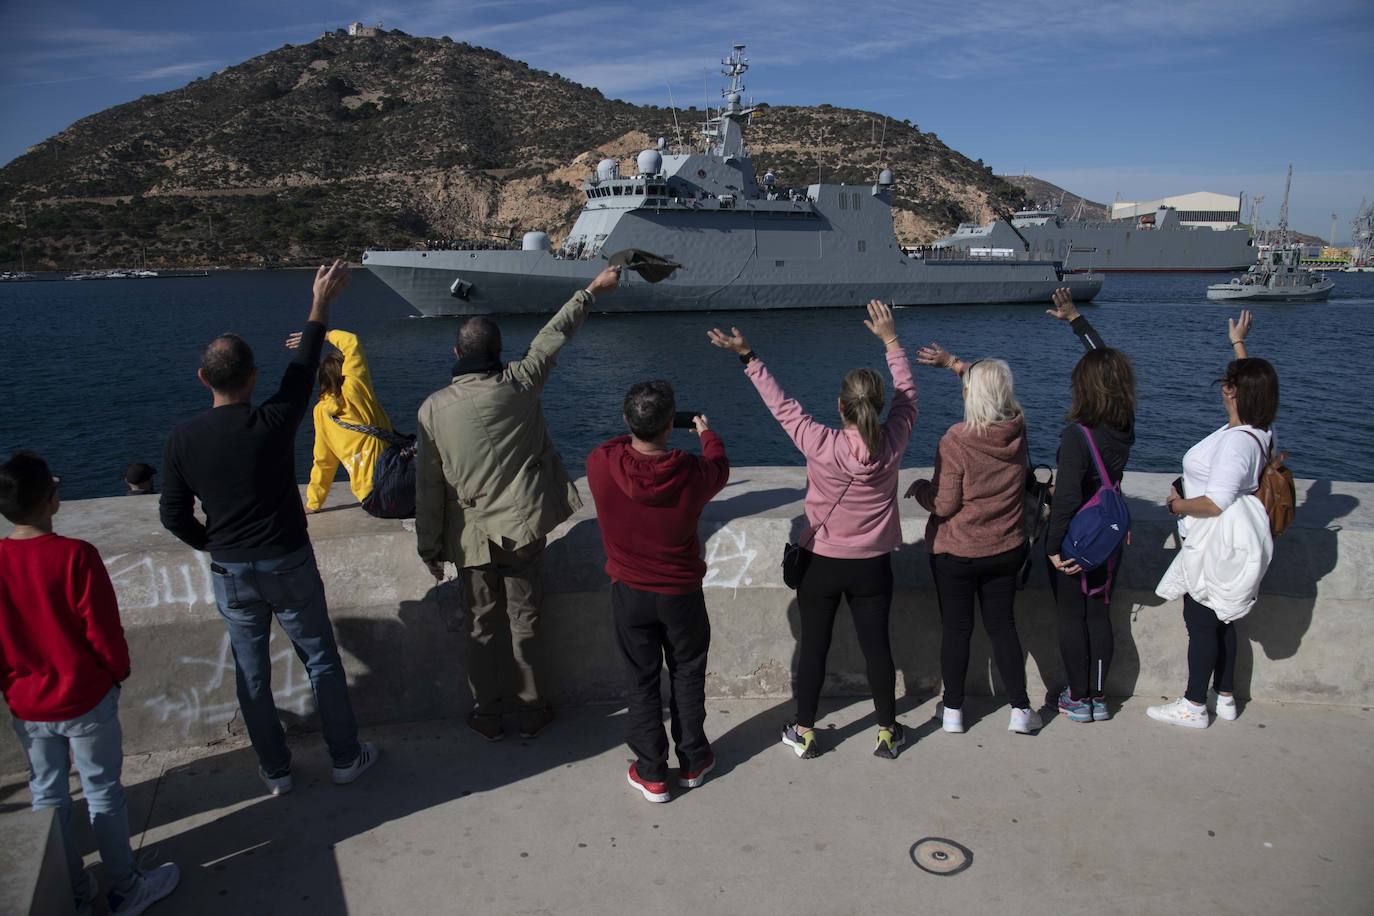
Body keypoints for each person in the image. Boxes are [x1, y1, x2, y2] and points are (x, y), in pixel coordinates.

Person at [159, 261, 378, 796]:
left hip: (231, 570)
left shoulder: (182, 440)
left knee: (251, 672)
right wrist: (319, 303)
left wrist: (211, 543)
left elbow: (172, 513)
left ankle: (276, 770)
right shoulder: (274, 422)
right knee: (321, 660)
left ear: (203, 379)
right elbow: (304, 365)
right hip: (287, 559)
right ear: (254, 377)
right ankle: (346, 758)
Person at [416, 266, 622, 742]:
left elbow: (427, 489)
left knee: (481, 625)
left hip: (471, 539)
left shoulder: (431, 410)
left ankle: (487, 714)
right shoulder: (521, 383)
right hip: (522, 528)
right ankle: (531, 710)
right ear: (497, 353)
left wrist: (430, 548)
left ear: (456, 355)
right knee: (525, 618)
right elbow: (554, 336)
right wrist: (590, 290)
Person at [707, 300, 916, 760]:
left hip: (821, 562)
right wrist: (891, 341)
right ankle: (886, 731)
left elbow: (780, 406)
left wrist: (749, 357)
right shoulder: (895, 439)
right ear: (877, 407)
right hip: (872, 566)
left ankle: (803, 730)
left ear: (839, 406)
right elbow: (908, 393)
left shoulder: (819, 442)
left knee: (814, 649)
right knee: (877, 648)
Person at [1, 452, 180, 915]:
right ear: (50, 501)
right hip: (84, 696)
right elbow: (102, 630)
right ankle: (124, 886)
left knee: (48, 794)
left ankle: (72, 890)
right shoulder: (75, 556)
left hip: (27, 702)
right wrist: (116, 674)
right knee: (102, 790)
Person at [586, 381, 729, 802]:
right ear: (670, 424)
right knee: (687, 673)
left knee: (641, 680)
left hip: (630, 591)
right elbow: (720, 465)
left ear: (628, 421)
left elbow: (617, 443)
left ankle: (651, 772)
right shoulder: (690, 470)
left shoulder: (601, 462)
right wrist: (705, 432)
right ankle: (693, 760)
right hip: (681, 592)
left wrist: (640, 429)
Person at [1149, 310, 1277, 729]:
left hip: (1211, 539)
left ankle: (1192, 705)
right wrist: (1238, 343)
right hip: (1231, 539)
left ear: (1233, 393)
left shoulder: (1237, 444)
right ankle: (1224, 698)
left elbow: (1216, 501)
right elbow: (1254, 384)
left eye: (1229, 385)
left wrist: (1176, 506)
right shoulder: (1262, 430)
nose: (1224, 389)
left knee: (1201, 622)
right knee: (1224, 621)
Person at [906, 348, 1041, 734]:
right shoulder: (1017, 427)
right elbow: (991, 389)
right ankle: (1020, 709)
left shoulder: (956, 440)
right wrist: (955, 365)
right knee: (1003, 626)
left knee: (956, 629)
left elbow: (945, 504)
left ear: (970, 395)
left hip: (957, 552)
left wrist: (920, 491)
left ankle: (952, 712)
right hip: (1006, 548)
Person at [1043, 288, 1135, 723]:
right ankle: (1097, 697)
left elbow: (1063, 501)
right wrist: (1077, 322)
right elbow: (1107, 361)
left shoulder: (1077, 436)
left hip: (1078, 537)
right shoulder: (1123, 425)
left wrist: (1051, 547)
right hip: (1110, 536)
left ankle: (1076, 698)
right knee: (1099, 613)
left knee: (1070, 617)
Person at [289, 328, 399, 515]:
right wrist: (321, 334)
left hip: (372, 500)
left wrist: (314, 502)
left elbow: (324, 461)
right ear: (346, 374)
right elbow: (352, 343)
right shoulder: (356, 389)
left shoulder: (321, 413)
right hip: (397, 483)